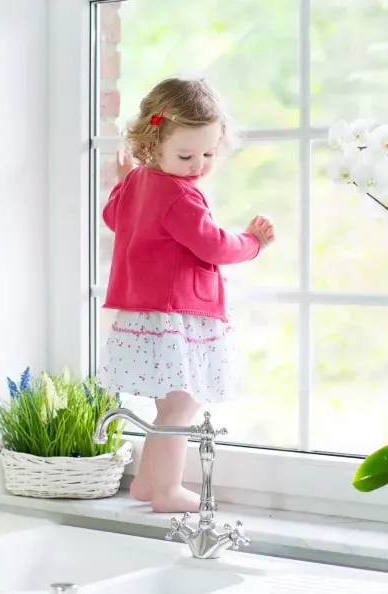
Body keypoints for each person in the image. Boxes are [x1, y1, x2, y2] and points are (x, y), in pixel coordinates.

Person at [100, 76, 275, 513]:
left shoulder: (141, 180)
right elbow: (213, 245)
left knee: (170, 406)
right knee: (180, 407)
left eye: (208, 153)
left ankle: (145, 483)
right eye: (186, 155)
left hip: (148, 311)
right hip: (176, 312)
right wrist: (252, 242)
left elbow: (112, 217)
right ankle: (167, 490)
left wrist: (124, 181)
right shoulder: (180, 196)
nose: (198, 165)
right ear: (152, 144)